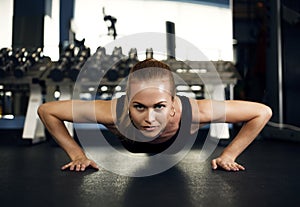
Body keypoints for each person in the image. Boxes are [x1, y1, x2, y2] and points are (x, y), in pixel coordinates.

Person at [38, 58, 272, 172]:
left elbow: (262, 112)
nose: (149, 118)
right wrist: (77, 154)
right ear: (127, 103)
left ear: (173, 104)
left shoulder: (195, 112)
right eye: (139, 107)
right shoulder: (111, 112)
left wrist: (229, 155)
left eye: (159, 106)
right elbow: (47, 110)